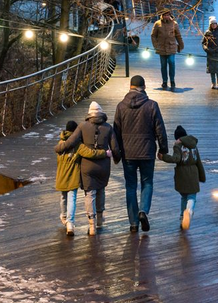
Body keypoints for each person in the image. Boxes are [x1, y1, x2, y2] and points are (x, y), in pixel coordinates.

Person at [56, 102, 120, 235]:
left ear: (89, 113)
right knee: (101, 189)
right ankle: (100, 219)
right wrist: (116, 159)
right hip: (103, 165)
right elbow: (114, 148)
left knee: (89, 194)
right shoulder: (108, 127)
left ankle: (91, 225)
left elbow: (71, 142)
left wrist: (59, 148)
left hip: (87, 166)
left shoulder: (82, 126)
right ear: (101, 113)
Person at [113, 75, 168, 232]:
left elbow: (115, 133)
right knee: (147, 182)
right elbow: (160, 129)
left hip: (128, 153)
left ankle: (133, 223)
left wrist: (117, 154)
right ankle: (143, 211)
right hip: (147, 151)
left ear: (130, 87)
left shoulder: (120, 106)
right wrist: (163, 149)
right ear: (143, 87)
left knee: (130, 186)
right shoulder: (151, 105)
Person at [159, 125, 206, 230]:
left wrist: (163, 157)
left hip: (182, 174)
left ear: (177, 137)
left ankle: (182, 218)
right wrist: (202, 176)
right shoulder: (194, 145)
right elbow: (198, 162)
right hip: (193, 173)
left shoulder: (178, 146)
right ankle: (188, 211)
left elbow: (176, 158)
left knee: (184, 196)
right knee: (192, 197)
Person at [151, 10, 184, 90]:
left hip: (171, 47)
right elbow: (153, 35)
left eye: (168, 15)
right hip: (161, 48)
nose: (166, 16)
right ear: (162, 15)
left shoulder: (174, 24)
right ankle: (164, 81)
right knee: (163, 65)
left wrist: (181, 45)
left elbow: (178, 35)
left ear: (170, 15)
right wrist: (156, 45)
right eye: (165, 15)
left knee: (171, 62)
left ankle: (172, 80)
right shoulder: (157, 23)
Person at [201, 16, 218, 90]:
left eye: (215, 24)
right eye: (212, 24)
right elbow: (203, 43)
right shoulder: (207, 33)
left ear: (217, 24)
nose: (214, 25)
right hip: (211, 53)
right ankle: (213, 82)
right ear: (210, 25)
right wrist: (207, 49)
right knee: (211, 69)